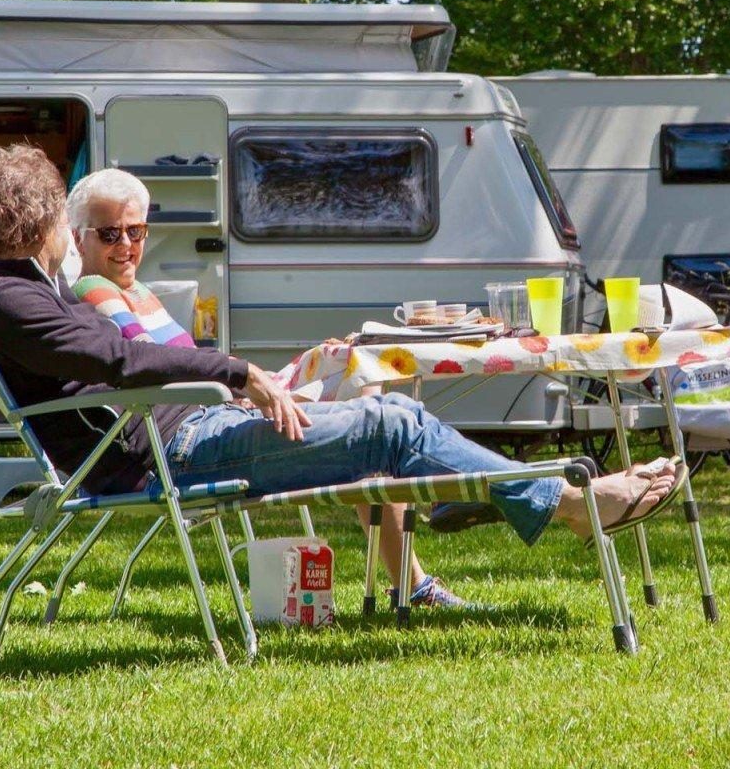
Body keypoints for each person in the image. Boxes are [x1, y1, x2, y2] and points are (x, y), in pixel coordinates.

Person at [0, 145, 682, 566]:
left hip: (181, 432)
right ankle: (570, 502)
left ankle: (536, 500)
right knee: (392, 424)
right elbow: (119, 361)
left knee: (388, 418)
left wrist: (254, 380)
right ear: (44, 219)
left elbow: (120, 360)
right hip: (171, 451)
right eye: (66, 218)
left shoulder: (15, 286)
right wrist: (236, 372)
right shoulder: (16, 296)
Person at [64, 166, 468, 608]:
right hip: (192, 439)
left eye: (136, 232)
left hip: (216, 415)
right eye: (109, 234)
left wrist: (298, 372)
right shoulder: (93, 292)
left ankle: (417, 569)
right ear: (77, 235)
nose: (126, 246)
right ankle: (441, 524)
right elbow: (160, 378)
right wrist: (251, 386)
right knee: (377, 418)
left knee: (365, 386)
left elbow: (186, 372)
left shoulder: (137, 292)